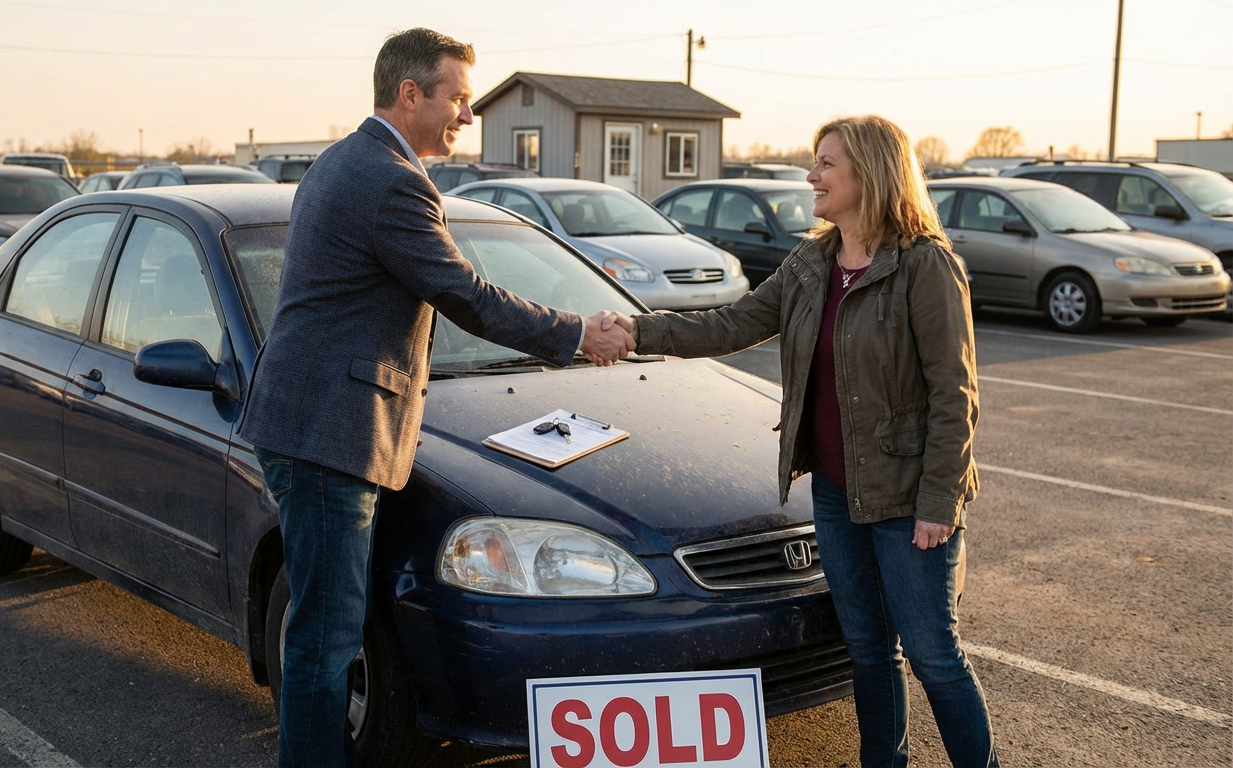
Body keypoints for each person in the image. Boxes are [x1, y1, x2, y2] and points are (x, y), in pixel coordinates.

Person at [237, 28, 633, 768]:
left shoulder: (341, 160)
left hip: (311, 421)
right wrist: (579, 333)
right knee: (326, 638)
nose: (466, 114)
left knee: (325, 628)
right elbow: (468, 298)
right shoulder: (392, 181)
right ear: (410, 93)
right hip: (332, 431)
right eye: (456, 97)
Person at [600, 115, 997, 767]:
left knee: (934, 654)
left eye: (825, 164)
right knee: (868, 651)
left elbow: (955, 394)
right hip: (837, 498)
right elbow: (735, 322)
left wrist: (939, 502)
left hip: (908, 502)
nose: (811, 176)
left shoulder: (924, 265)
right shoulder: (812, 262)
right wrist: (640, 333)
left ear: (867, 172)